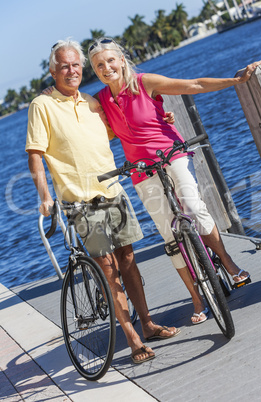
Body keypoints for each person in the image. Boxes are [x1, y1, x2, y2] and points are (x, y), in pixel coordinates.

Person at [87, 38, 261, 324]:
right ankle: (197, 299)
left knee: (192, 207)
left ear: (121, 59)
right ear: (95, 71)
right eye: (99, 65)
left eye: (110, 61)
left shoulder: (145, 83)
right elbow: (84, 118)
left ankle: (229, 263)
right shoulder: (101, 101)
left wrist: (235, 80)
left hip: (171, 153)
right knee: (170, 235)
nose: (106, 68)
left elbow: (193, 85)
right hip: (141, 170)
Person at [26, 39, 181, 365]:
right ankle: (132, 336)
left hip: (114, 192)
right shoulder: (42, 106)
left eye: (76, 65)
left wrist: (158, 114)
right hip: (80, 201)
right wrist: (44, 196)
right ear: (53, 70)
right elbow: (36, 156)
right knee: (108, 268)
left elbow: (125, 126)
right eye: (64, 65)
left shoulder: (93, 102)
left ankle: (148, 324)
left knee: (128, 259)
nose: (71, 70)